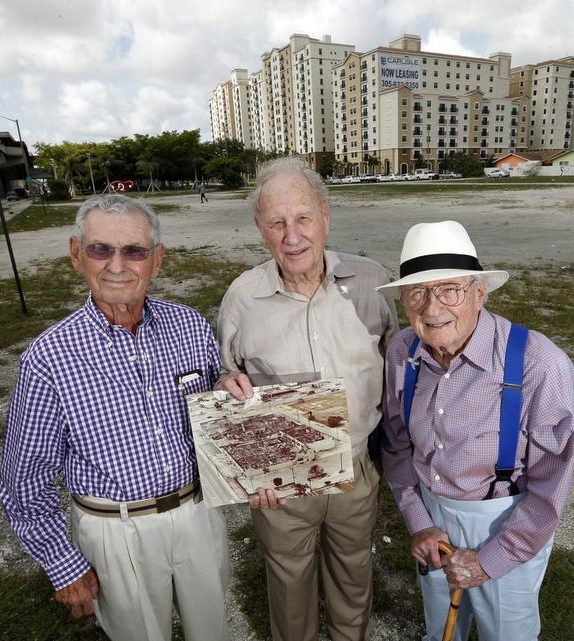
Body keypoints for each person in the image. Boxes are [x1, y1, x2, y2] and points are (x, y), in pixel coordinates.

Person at [0, 193, 231, 641]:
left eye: (134, 251)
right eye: (100, 249)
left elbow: (214, 405)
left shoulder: (191, 326)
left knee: (214, 630)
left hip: (197, 514)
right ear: (76, 255)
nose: (117, 265)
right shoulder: (49, 357)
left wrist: (229, 391)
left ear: (157, 259)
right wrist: (64, 566)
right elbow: (24, 482)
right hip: (115, 531)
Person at [216, 156, 398, 641]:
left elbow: (394, 364)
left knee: (353, 577)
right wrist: (225, 390)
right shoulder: (242, 298)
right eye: (276, 222)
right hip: (280, 482)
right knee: (289, 585)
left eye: (302, 218)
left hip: (356, 471)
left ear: (326, 215)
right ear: (260, 227)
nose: (291, 235)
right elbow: (227, 378)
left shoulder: (370, 282)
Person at [378, 220, 574, 641]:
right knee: (441, 628)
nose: (432, 308)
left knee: (506, 633)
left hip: (507, 522)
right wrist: (419, 522)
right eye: (417, 292)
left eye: (449, 289)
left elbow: (549, 491)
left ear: (480, 292)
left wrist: (490, 560)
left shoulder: (539, 364)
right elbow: (396, 447)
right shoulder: (402, 352)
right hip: (433, 519)